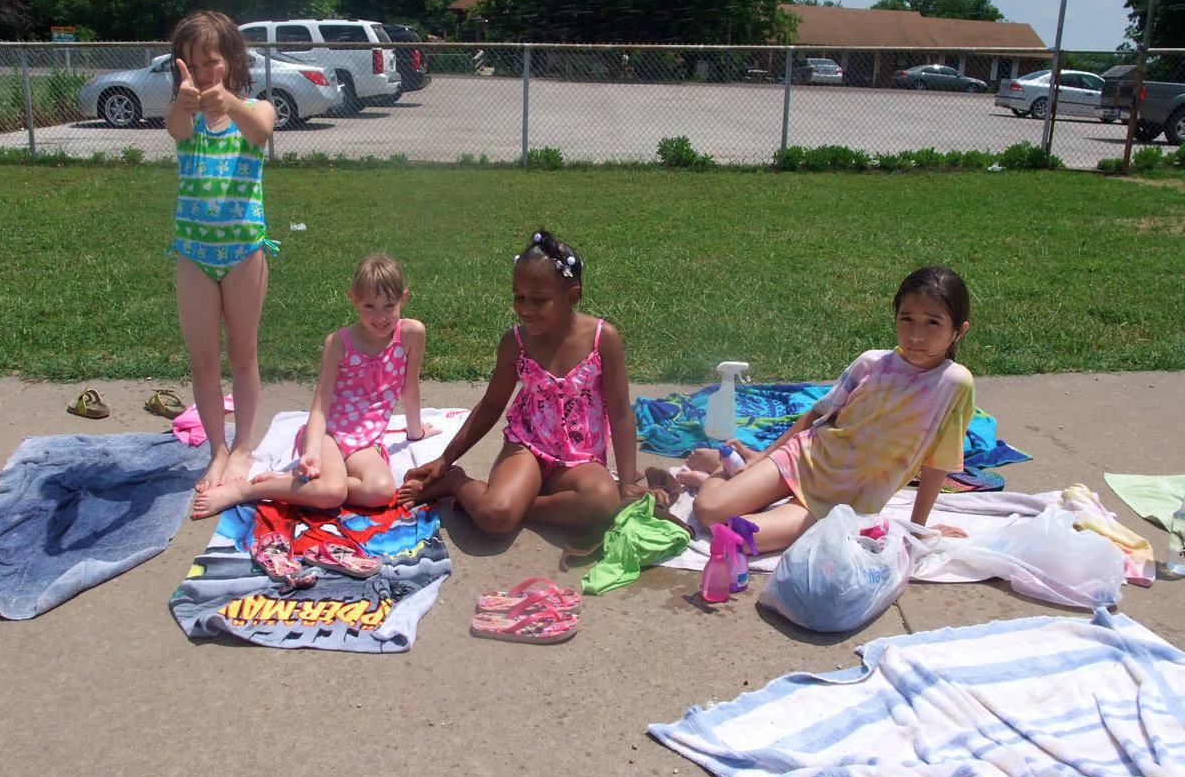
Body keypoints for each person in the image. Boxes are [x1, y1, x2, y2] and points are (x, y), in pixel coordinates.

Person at [692, 266, 976, 553]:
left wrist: (918, 529)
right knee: (707, 511)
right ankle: (726, 467)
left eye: (932, 323)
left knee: (740, 537)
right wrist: (764, 456)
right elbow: (818, 413)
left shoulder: (954, 383)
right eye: (906, 319)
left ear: (959, 331)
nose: (915, 335)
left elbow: (939, 460)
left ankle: (728, 474)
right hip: (806, 458)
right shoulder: (871, 362)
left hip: (845, 499)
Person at [402, 230, 664, 534]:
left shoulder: (603, 339)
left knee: (603, 502)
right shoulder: (515, 343)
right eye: (519, 297)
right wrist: (446, 459)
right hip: (528, 447)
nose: (525, 309)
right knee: (494, 516)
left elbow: (620, 413)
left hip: (581, 458)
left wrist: (628, 482)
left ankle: (517, 506)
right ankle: (456, 483)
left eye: (538, 300)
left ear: (572, 296)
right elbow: (491, 405)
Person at [190, 253, 437, 520]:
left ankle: (298, 485)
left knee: (381, 491)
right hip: (328, 433)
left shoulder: (412, 334)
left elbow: (409, 387)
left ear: (404, 298)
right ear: (353, 299)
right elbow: (320, 406)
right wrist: (312, 450)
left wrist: (415, 431)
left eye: (389, 305)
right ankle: (246, 490)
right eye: (369, 306)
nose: (380, 317)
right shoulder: (339, 343)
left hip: (366, 441)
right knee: (331, 493)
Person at [166, 9, 277, 492]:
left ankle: (243, 446)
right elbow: (174, 128)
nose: (203, 73)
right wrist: (183, 102)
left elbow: (261, 131)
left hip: (244, 253)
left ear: (231, 60)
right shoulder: (185, 117)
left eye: (211, 61)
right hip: (193, 255)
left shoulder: (255, 108)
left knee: (243, 353)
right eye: (192, 65)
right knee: (204, 360)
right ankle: (217, 450)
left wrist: (228, 100)